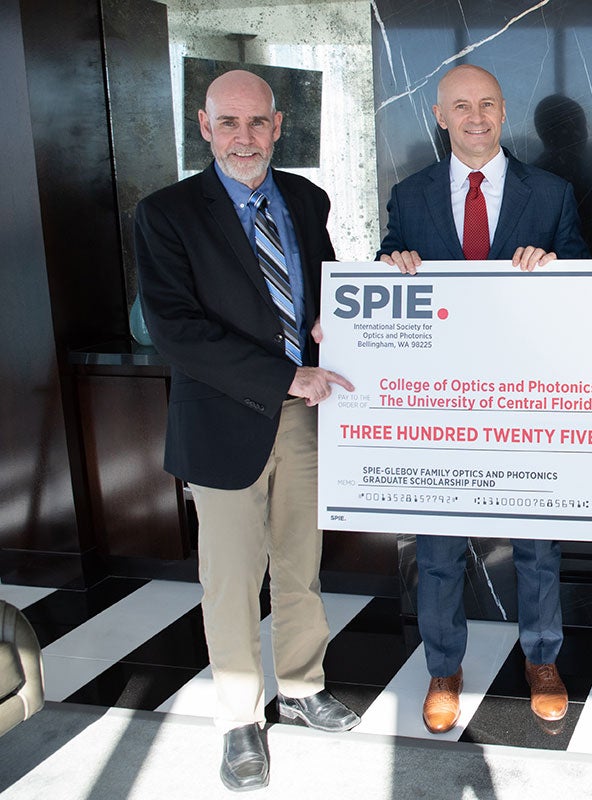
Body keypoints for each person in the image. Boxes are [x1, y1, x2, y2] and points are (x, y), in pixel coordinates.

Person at [134, 70, 360, 792]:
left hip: (302, 420)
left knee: (300, 562)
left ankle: (300, 685)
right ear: (203, 128)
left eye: (256, 123)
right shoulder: (166, 213)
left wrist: (338, 322)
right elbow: (176, 331)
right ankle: (238, 718)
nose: (243, 137)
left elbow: (319, 286)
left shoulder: (304, 196)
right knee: (230, 580)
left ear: (278, 123)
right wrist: (286, 375)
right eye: (227, 123)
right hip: (225, 419)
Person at [376, 64, 589, 734]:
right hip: (441, 406)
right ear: (439, 115)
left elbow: (589, 280)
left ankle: (543, 661)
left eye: (488, 104)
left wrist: (557, 272)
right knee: (438, 545)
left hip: (527, 400)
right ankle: (444, 667)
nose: (476, 117)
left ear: (504, 112)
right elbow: (385, 266)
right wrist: (389, 265)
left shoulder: (551, 193)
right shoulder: (409, 195)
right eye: (461, 106)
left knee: (536, 541)